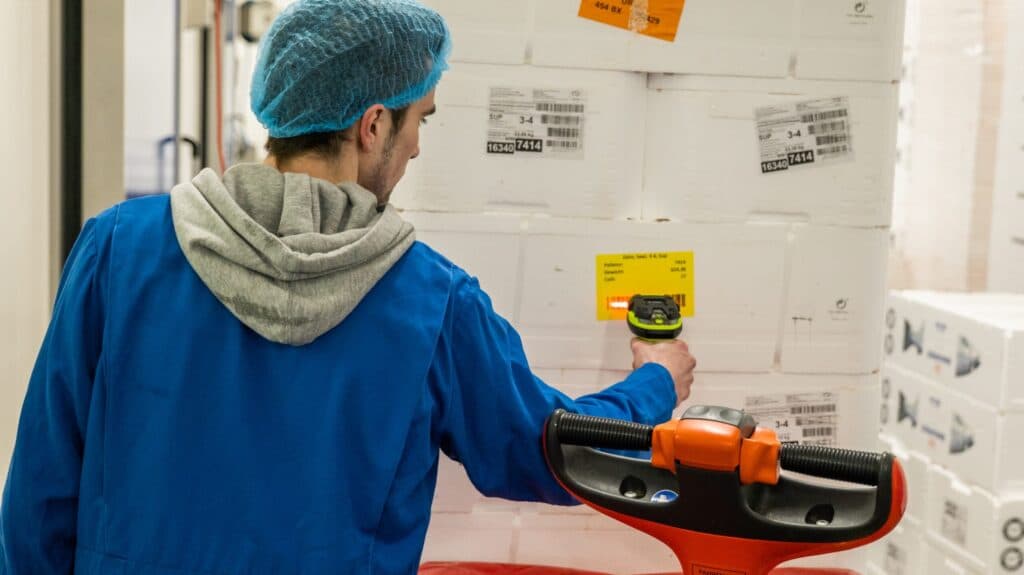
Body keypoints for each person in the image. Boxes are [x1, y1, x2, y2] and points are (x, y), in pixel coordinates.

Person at [0, 0, 696, 573]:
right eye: (420, 119)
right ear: (373, 124)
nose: (417, 145)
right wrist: (655, 382)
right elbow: (550, 449)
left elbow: (40, 493)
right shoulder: (431, 302)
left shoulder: (118, 250)